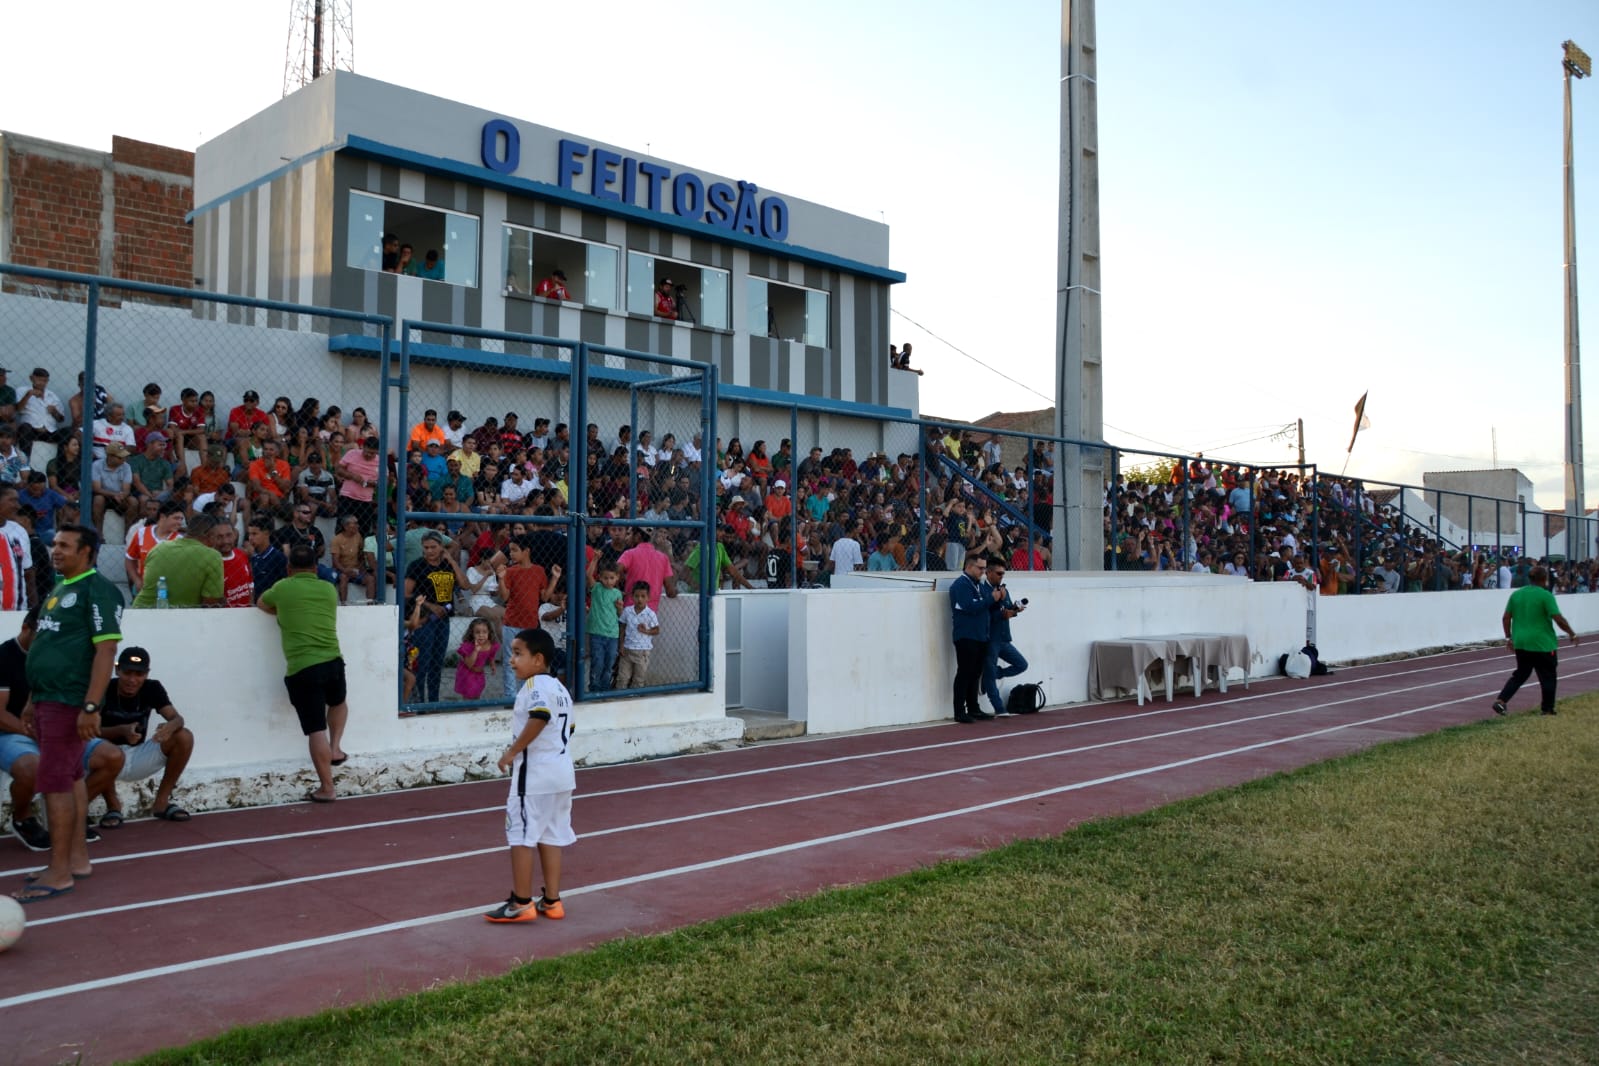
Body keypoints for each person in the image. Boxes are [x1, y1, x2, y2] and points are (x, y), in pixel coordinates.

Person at [14, 524, 123, 903]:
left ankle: (58, 872)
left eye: (64, 545)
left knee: (56, 784)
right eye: (54, 544)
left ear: (88, 553)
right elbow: (46, 644)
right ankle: (76, 860)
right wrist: (31, 699)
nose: (55, 551)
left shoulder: (97, 590)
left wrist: (91, 706)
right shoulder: (60, 588)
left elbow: (106, 651)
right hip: (48, 698)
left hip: (68, 701)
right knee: (71, 778)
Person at [0, 604, 124, 853]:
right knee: (32, 768)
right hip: (12, 732)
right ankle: (23, 818)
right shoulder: (4, 656)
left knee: (112, 758)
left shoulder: (57, 655)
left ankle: (67, 814)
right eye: (42, 634)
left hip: (54, 728)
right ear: (26, 628)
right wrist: (33, 732)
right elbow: (0, 715)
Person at [485, 626, 575, 923]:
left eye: (518, 653)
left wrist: (512, 751)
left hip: (534, 776)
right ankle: (552, 901)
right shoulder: (561, 689)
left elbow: (540, 716)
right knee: (550, 835)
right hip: (561, 774)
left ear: (538, 659)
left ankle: (521, 903)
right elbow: (569, 728)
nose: (512, 660)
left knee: (521, 835)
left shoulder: (535, 685)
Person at [258, 543, 349, 802]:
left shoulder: (283, 588)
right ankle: (336, 747)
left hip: (302, 667)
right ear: (315, 568)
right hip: (333, 659)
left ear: (288, 569)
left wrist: (283, 610)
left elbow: (262, 603)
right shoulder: (328, 588)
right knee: (339, 702)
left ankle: (327, 788)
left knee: (315, 729)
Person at [85, 646, 195, 823]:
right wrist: (121, 731)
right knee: (99, 748)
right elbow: (89, 730)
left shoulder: (153, 688)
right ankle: (113, 807)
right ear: (117, 670)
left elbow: (176, 718)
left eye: (139, 674)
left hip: (139, 756)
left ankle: (161, 802)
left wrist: (170, 726)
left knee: (184, 736)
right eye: (127, 673)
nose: (132, 680)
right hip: (106, 756)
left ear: (147, 674)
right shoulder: (103, 689)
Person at [1493, 565, 1579, 717]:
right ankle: (1547, 709)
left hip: (1521, 642)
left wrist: (1508, 637)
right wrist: (1571, 633)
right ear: (1544, 579)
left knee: (1520, 674)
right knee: (1548, 676)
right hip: (1542, 643)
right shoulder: (1545, 595)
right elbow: (1557, 617)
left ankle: (1501, 700)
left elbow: (1506, 617)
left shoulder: (1517, 595)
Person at [404, 531, 464, 704]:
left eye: (433, 547)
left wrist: (451, 560)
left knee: (437, 663)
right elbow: (407, 593)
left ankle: (434, 701)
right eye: (426, 548)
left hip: (443, 620)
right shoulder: (417, 566)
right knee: (422, 662)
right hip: (424, 620)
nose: (429, 551)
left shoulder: (447, 565)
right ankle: (420, 702)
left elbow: (465, 584)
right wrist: (430, 605)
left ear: (442, 547)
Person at [948, 551, 1001, 724]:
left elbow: (985, 608)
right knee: (965, 672)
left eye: (985, 569)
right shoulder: (961, 585)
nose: (983, 572)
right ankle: (959, 710)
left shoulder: (977, 585)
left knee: (975, 673)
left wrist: (998, 600)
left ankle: (973, 707)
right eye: (980, 568)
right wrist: (990, 599)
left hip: (980, 636)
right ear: (969, 566)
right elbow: (970, 607)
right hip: (966, 636)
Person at [132, 513, 224, 608]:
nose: (218, 542)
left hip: (140, 611)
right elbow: (211, 602)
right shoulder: (213, 556)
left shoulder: (159, 547)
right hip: (177, 616)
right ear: (209, 535)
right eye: (217, 537)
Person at [980, 559, 1029, 717]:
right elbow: (984, 614)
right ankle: (999, 707)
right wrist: (1002, 613)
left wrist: (1015, 611)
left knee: (1022, 664)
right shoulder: (982, 590)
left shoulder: (1004, 590)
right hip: (990, 638)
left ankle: (994, 673)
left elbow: (1007, 610)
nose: (1002, 576)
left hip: (1003, 638)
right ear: (989, 572)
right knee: (989, 669)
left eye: (1003, 573)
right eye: (999, 573)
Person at [616, 581, 661, 689]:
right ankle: (619, 698)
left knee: (639, 678)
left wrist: (646, 631)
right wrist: (621, 645)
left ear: (648, 598)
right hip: (627, 650)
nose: (639, 599)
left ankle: (634, 699)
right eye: (637, 596)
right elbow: (622, 627)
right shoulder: (627, 611)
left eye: (643, 596)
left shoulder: (650, 614)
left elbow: (657, 630)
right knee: (623, 677)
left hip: (643, 651)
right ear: (632, 597)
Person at [586, 563, 623, 692]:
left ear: (617, 577)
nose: (608, 581)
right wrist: (596, 559)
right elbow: (588, 574)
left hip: (613, 634)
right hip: (597, 632)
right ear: (600, 577)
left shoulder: (617, 593)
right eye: (605, 578)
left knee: (609, 663)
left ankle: (605, 688)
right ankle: (595, 688)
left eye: (611, 578)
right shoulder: (596, 588)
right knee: (598, 662)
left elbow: (619, 614)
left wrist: (619, 608)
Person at [454, 618, 500, 701]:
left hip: (479, 673)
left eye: (484, 632)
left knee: (477, 693)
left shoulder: (491, 645)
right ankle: (467, 711)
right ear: (472, 633)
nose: (481, 635)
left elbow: (491, 655)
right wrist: (476, 650)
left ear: (489, 633)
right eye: (477, 632)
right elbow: (469, 664)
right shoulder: (468, 646)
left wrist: (492, 664)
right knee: (468, 696)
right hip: (467, 673)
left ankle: (475, 710)